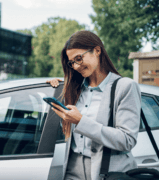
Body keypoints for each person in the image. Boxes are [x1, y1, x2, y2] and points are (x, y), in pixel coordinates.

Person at [46, 30, 141, 180]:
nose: (76, 66)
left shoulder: (125, 87)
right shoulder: (75, 89)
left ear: (97, 51)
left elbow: (127, 140)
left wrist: (81, 121)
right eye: (72, 62)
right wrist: (56, 86)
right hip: (72, 168)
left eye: (79, 58)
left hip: (108, 171)